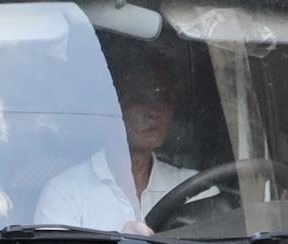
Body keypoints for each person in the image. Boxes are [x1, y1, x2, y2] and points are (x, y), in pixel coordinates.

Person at [33, 53, 195, 232]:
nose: (153, 111)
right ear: (105, 110)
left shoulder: (193, 188)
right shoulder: (65, 193)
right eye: (138, 99)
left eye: (162, 97)